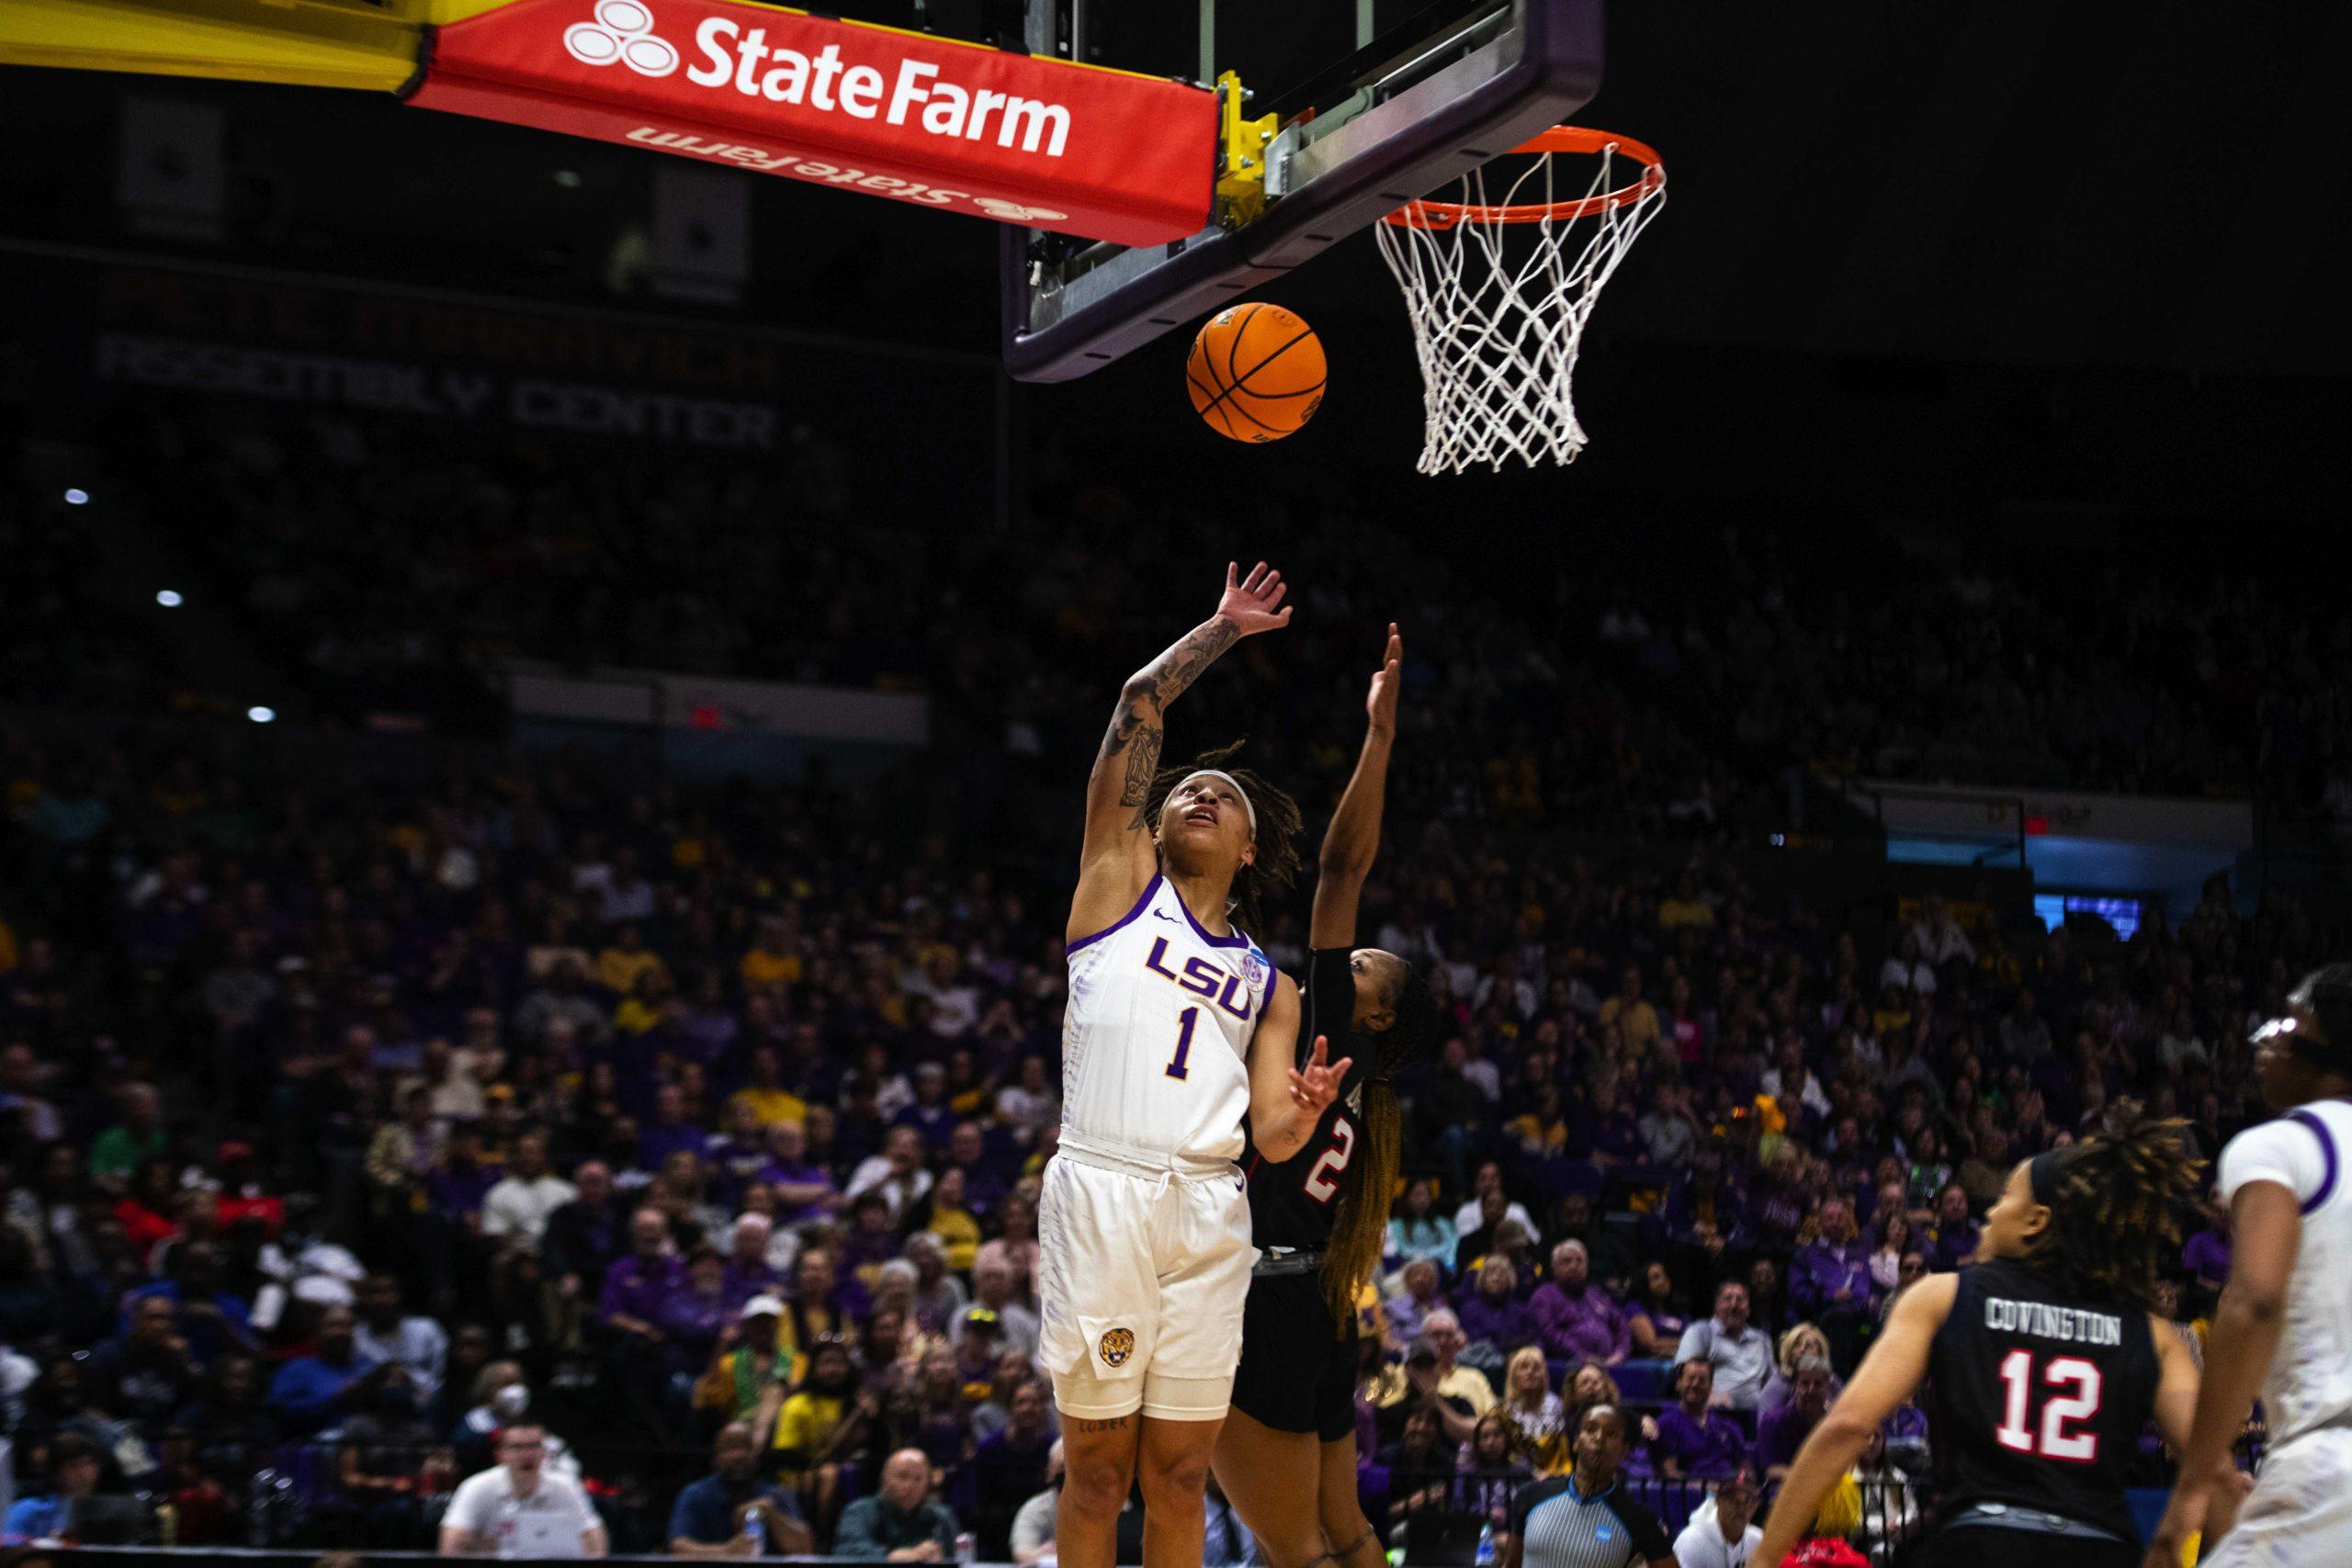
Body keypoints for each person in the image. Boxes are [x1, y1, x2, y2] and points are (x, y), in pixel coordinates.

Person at [1045, 563, 1339, 1568]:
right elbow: (1138, 705)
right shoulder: (1117, 883)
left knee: (1178, 1479)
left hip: (1211, 1211)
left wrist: (1301, 1115)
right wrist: (1220, 629)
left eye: (1224, 797)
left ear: (1251, 851)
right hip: (1106, 1187)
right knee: (1094, 1475)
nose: (1201, 794)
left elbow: (1271, 1135)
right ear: (1154, 824)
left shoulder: (1271, 983)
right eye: (1186, 791)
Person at [1756, 1103, 2218, 1568]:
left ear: (2036, 1221)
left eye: (2005, 1198)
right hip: (2101, 1547)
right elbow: (2213, 1469)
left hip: (1978, 1542)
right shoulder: (2152, 1332)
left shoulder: (1943, 1296)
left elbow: (1847, 1426)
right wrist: (2169, 1540)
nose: (1992, 1211)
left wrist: (1764, 1558)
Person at [1216, 626, 1439, 1568]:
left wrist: (1379, 738)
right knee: (1346, 1540)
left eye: (1364, 970)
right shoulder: (1373, 1102)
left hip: (1267, 1302)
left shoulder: (1332, 1034)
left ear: (1375, 1016)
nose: (1349, 960)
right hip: (1317, 1307)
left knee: (1300, 1551)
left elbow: (1343, 869)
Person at [2144, 964, 2352, 1568]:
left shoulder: (2278, 1145)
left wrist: (2192, 1487)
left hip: (2329, 1462)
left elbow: (2254, 1298)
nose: (2269, 1036)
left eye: (2291, 1018)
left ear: (2324, 1040)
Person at [1503, 1405, 1674, 1568]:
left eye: (1611, 1434)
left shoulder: (1638, 1519)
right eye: (1590, 1429)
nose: (1599, 1438)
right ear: (1576, 1441)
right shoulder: (1531, 1496)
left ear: (1624, 1451)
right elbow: (1511, 1565)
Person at [439, 1422, 607, 1558]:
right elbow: (451, 1544)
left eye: (533, 1446)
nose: (527, 1454)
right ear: (500, 1455)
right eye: (517, 1447)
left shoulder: (566, 1486)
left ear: (544, 1452)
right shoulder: (476, 1487)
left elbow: (594, 1538)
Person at [667, 1421, 813, 1557]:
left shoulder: (777, 1494)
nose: (739, 1455)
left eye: (746, 1447)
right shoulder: (695, 1494)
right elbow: (678, 1547)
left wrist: (771, 1513)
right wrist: (726, 1551)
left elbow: (805, 1549)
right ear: (715, 1458)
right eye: (730, 1448)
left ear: (756, 1456)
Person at [834, 1447, 959, 1562]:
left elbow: (958, 1557)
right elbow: (847, 1551)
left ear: (927, 1484)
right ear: (884, 1478)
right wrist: (895, 1556)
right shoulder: (859, 1511)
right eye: (902, 1476)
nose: (910, 1486)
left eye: (918, 1479)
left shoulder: (941, 1516)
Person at [1673, 1283, 1772, 1410]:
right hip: (1715, 1412)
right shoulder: (1700, 1331)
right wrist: (1708, 1397)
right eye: (1727, 1299)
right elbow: (1684, 1375)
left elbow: (1771, 1381)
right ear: (1716, 1306)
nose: (1734, 1305)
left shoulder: (1762, 1339)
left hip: (1757, 1414)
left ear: (1748, 1309)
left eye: (1740, 1300)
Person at [1651, 1360, 1749, 1482]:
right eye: (1690, 1378)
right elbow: (1671, 1474)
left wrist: (1739, 1485)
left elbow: (1745, 1469)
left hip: (1729, 1494)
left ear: (1711, 1386)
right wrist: (1707, 1488)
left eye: (1702, 1380)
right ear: (1679, 1383)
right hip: (1689, 1496)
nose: (1695, 1384)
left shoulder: (1729, 1426)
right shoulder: (1665, 1425)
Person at [4, 1431, 102, 1544]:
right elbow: (8, 1549)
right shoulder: (27, 1511)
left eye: (89, 1464)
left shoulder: (106, 1514)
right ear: (55, 1472)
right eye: (73, 1466)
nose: (84, 1474)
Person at [1671, 1466, 1761, 1568]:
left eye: (1748, 1500)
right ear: (1718, 1500)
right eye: (1732, 1498)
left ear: (1756, 1505)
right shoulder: (1691, 1541)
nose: (1740, 1507)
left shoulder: (1758, 1540)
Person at [1010, 1439, 1065, 1567]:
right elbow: (1021, 1553)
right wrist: (1041, 1554)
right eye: (1062, 1467)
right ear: (1049, 1474)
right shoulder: (1035, 1509)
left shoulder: (1109, 1505)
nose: (1070, 1472)